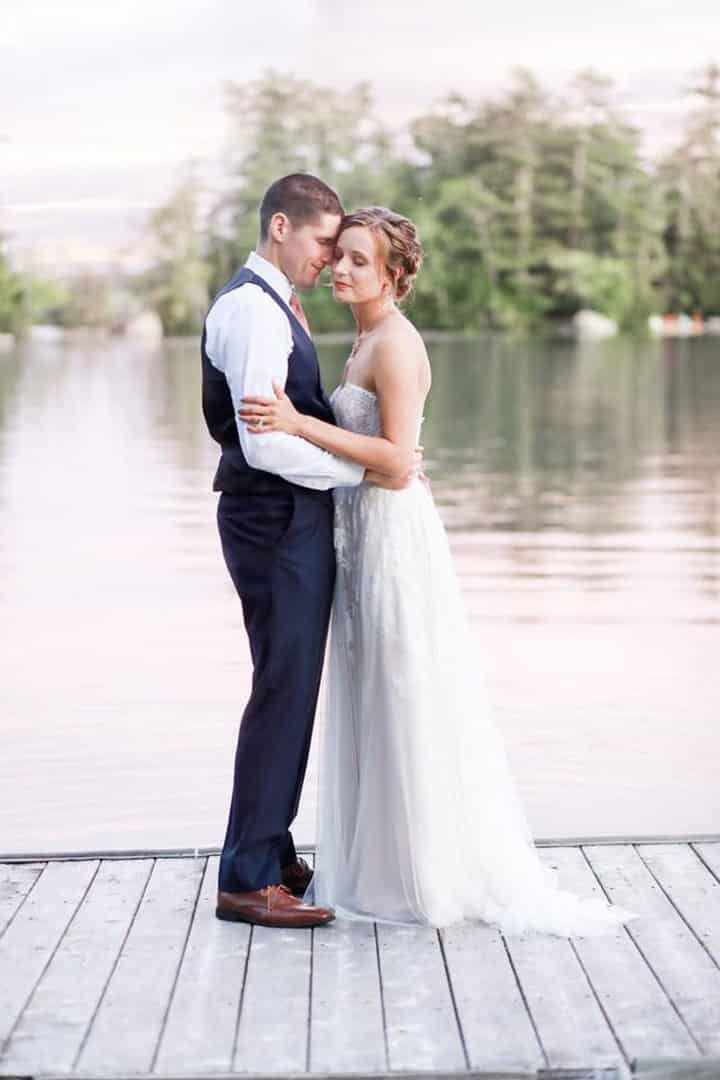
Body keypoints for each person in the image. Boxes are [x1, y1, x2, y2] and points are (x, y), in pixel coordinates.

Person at [238, 206, 643, 936]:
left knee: (404, 685)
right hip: (356, 535)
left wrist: (299, 425)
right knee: (370, 691)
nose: (344, 268)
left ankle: (423, 873)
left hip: (393, 538)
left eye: (361, 259)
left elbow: (394, 464)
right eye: (341, 256)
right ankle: (373, 862)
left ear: (395, 274)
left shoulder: (394, 344)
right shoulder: (362, 337)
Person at [201, 177, 420, 929]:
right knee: (284, 690)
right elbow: (265, 444)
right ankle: (249, 878)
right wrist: (364, 471)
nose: (330, 262)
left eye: (347, 251)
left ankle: (273, 852)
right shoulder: (251, 310)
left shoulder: (275, 305)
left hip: (287, 521)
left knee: (286, 684)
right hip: (273, 519)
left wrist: (351, 463)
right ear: (283, 227)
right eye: (326, 244)